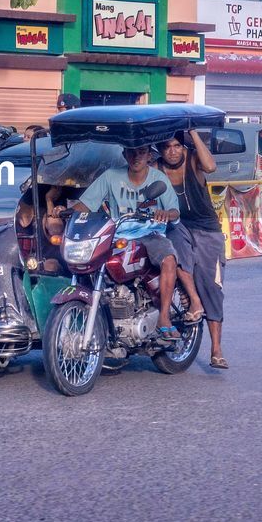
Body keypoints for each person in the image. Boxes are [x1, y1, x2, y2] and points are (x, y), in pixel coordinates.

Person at [57, 144, 183, 339]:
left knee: (168, 259)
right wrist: (66, 212)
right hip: (118, 234)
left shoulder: (158, 179)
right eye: (132, 152)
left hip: (150, 233)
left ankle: (164, 317)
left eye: (141, 152)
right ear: (125, 154)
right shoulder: (111, 176)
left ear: (149, 156)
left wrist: (165, 213)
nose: (136, 157)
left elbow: (175, 211)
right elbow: (87, 204)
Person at [158, 131, 229, 369]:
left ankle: (216, 349)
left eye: (177, 145)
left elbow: (210, 166)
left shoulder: (193, 160)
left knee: (212, 286)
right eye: (167, 147)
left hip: (207, 228)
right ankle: (194, 301)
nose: (172, 151)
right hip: (177, 225)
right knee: (174, 254)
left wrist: (193, 133)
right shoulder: (156, 167)